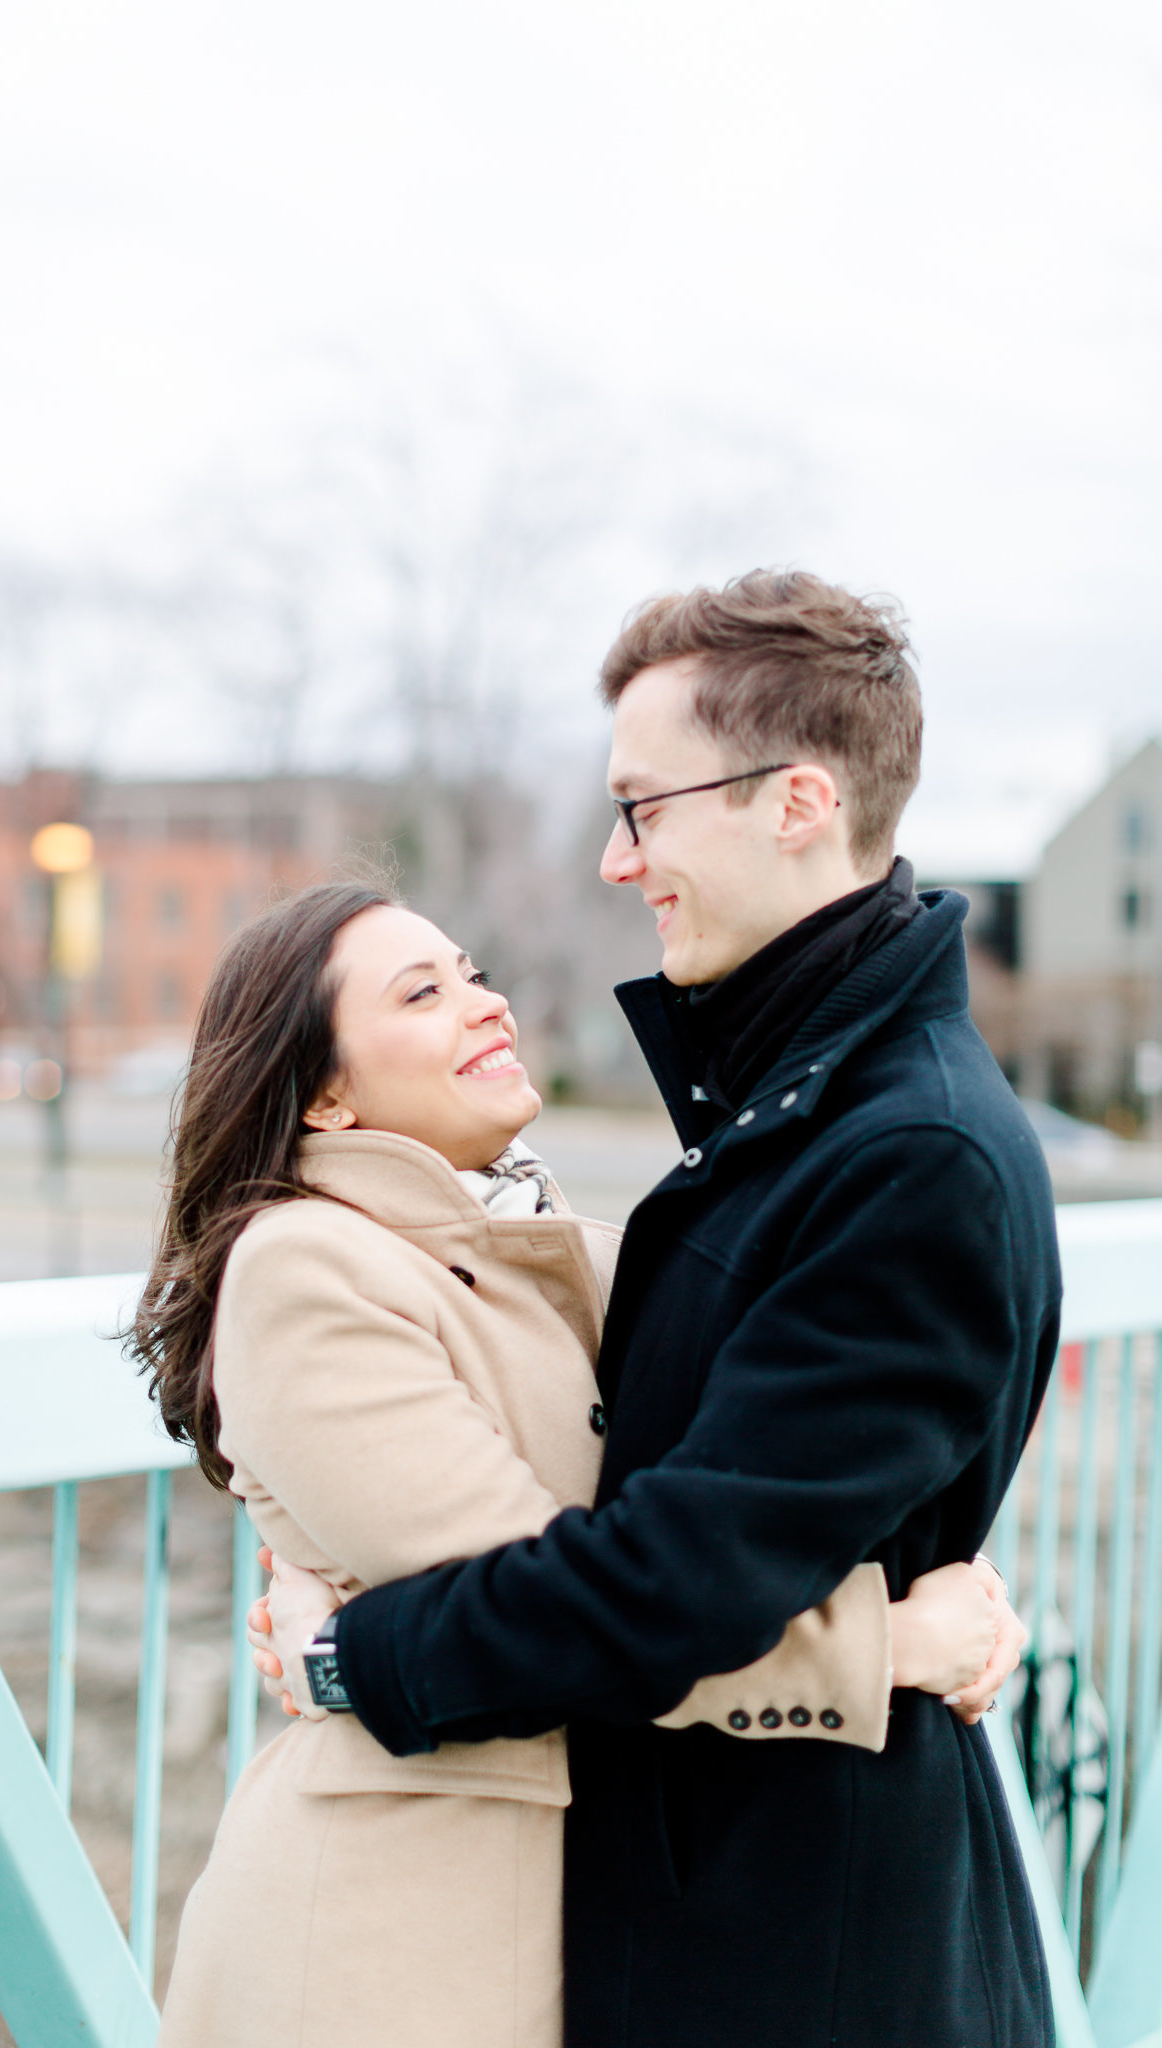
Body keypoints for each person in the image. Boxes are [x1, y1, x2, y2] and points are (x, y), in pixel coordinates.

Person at [254, 572, 1060, 2048]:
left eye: (646, 808)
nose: (621, 862)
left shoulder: (906, 1153)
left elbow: (669, 1582)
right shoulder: (804, 1118)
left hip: (801, 1952)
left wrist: (352, 1659)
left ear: (796, 802)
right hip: (729, 1910)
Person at [127, 877, 1011, 2048]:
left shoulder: (578, 1257)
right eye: (423, 992)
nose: (483, 1004)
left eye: (474, 973)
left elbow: (727, 1509)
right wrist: (888, 1643)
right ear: (328, 1092)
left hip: (581, 1917)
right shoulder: (305, 1269)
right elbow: (563, 1598)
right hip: (385, 1938)